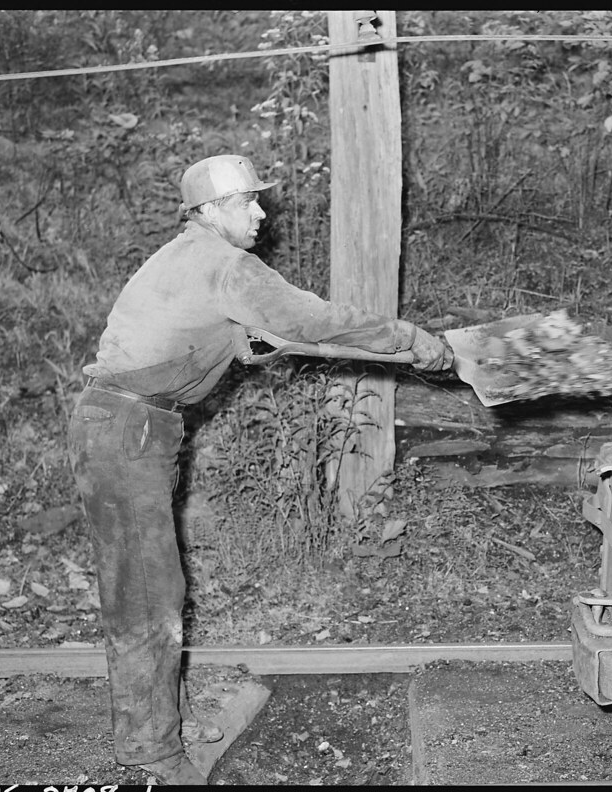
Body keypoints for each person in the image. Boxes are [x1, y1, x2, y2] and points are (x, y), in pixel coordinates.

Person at [67, 154, 450, 784]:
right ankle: (153, 753)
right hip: (125, 431)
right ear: (213, 211)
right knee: (147, 593)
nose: (261, 212)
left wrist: (387, 349)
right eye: (248, 201)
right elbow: (315, 319)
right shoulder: (227, 266)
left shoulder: (183, 256)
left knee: (158, 585)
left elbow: (283, 337)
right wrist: (411, 338)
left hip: (126, 424)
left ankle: (166, 721)